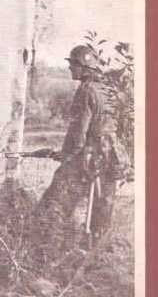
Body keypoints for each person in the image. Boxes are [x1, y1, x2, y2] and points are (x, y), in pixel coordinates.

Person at [36, 44, 125, 244]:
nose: (70, 68)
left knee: (54, 203)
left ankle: (47, 246)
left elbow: (78, 133)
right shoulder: (107, 89)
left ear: (84, 67)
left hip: (90, 155)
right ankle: (96, 250)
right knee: (102, 211)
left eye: (73, 64)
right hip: (111, 156)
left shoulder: (86, 91)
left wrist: (66, 155)